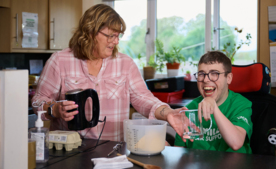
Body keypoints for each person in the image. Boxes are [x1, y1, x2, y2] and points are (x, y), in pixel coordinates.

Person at [32, 4, 185, 141]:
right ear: (90, 32)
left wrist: (168, 113)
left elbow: (143, 98)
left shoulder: (125, 64)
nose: (116, 41)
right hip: (70, 153)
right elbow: (37, 101)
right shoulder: (59, 61)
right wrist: (54, 109)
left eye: (118, 36)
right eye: (111, 36)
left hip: (113, 153)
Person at [174, 51, 253, 154]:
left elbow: (236, 143)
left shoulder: (241, 104)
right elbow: (178, 152)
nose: (206, 79)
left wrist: (214, 107)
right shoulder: (188, 109)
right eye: (201, 74)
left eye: (214, 73)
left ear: (228, 78)